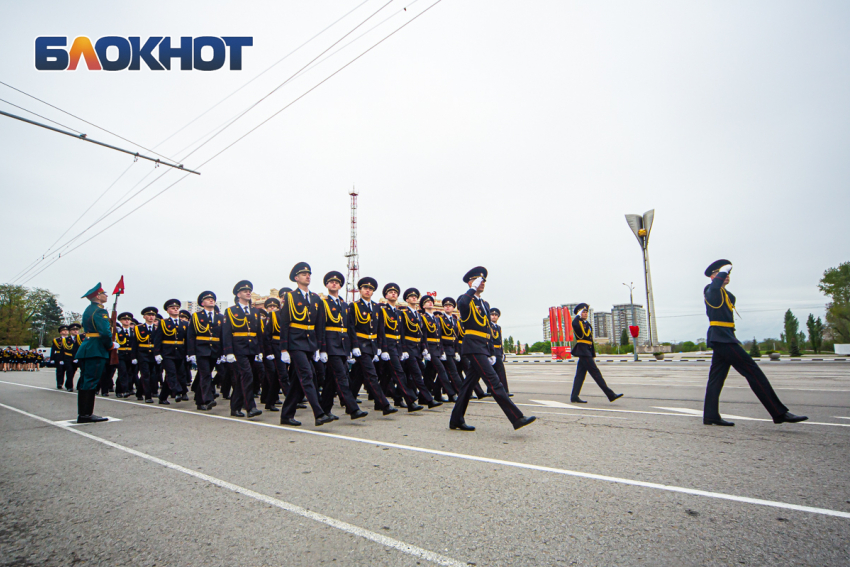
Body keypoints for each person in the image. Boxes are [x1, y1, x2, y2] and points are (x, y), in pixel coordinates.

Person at [702, 260, 808, 426]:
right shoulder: (711, 291)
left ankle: (710, 416)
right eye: (722, 273)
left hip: (724, 337)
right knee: (753, 372)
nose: (727, 276)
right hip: (723, 339)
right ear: (713, 276)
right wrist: (724, 270)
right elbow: (715, 288)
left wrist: (723, 274)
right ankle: (779, 413)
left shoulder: (727, 295)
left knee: (716, 379)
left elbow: (726, 300)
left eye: (728, 273)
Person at [449, 267, 535, 431]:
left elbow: (488, 328)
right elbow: (461, 305)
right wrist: (472, 289)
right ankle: (516, 418)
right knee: (494, 382)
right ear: (471, 282)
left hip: (483, 346)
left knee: (467, 387)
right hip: (473, 346)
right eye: (478, 280)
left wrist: (491, 351)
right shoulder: (465, 299)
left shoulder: (485, 303)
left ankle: (456, 419)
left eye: (483, 281)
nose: (482, 283)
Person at [277, 263, 334, 427]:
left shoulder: (316, 298)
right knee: (308, 375)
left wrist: (319, 348)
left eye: (309, 274)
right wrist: (283, 348)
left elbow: (320, 325)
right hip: (295, 342)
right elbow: (285, 324)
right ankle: (319, 413)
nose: (307, 276)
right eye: (303, 274)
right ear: (296, 278)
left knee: (298, 381)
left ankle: (286, 415)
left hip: (310, 343)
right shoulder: (289, 297)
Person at [319, 271, 368, 420]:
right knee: (342, 377)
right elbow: (320, 326)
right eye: (331, 282)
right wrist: (321, 348)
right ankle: (353, 409)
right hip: (330, 345)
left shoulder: (345, 305)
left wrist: (353, 346)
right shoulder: (322, 303)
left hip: (342, 345)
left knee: (331, 380)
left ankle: (324, 410)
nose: (334, 284)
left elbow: (350, 327)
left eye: (337, 282)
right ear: (326, 285)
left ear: (340, 285)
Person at [349, 277, 398, 416]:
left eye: (370, 289)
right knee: (372, 375)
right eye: (365, 288)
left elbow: (380, 329)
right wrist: (354, 346)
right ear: (360, 290)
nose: (368, 291)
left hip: (372, 345)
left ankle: (349, 404)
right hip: (360, 345)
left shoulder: (377, 307)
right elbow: (351, 327)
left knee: (358, 376)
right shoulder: (354, 306)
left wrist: (381, 348)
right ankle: (384, 405)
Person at [74, 283, 117, 423]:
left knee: (86, 381)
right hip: (96, 348)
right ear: (97, 296)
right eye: (104, 293)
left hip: (88, 347)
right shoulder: (100, 311)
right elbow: (104, 332)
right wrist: (110, 345)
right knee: (91, 382)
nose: (106, 295)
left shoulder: (89, 309)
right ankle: (86, 414)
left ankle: (84, 413)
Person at [222, 280, 263, 418]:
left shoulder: (255, 311)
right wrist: (228, 352)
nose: (248, 292)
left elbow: (258, 332)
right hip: (238, 349)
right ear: (238, 294)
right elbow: (226, 333)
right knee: (247, 376)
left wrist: (260, 351)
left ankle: (235, 407)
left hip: (251, 349)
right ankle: (250, 407)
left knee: (242, 378)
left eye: (249, 291)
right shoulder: (231, 311)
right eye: (245, 291)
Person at [570, 303, 623, 404]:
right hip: (583, 351)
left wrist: (592, 353)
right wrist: (577, 315)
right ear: (579, 313)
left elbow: (590, 340)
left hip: (587, 351)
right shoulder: (577, 323)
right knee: (596, 373)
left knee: (580, 375)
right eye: (583, 312)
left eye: (586, 312)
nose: (585, 314)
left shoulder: (587, 324)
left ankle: (574, 396)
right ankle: (610, 395)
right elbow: (575, 324)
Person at [399, 288, 442, 409]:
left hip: (417, 348)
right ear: (406, 299)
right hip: (408, 347)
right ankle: (428, 399)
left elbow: (421, 334)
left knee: (409, 375)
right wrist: (404, 349)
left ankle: (398, 397)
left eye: (415, 296)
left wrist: (424, 348)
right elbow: (401, 332)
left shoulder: (418, 315)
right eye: (411, 296)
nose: (413, 298)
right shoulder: (404, 313)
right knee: (417, 374)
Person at [187, 291, 223, 411]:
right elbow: (191, 335)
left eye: (212, 299)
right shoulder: (196, 316)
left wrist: (223, 352)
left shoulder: (220, 317)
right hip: (201, 349)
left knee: (205, 375)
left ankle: (199, 400)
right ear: (202, 303)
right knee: (206, 374)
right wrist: (191, 353)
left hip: (215, 349)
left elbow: (223, 336)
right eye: (208, 299)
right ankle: (208, 399)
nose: (211, 300)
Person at [420, 295, 457, 402]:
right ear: (423, 306)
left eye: (431, 301)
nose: (430, 303)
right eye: (427, 302)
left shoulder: (436, 319)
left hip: (437, 348)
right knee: (442, 370)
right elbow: (424, 335)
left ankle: (425, 396)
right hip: (429, 348)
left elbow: (439, 336)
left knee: (429, 373)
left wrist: (441, 350)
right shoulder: (423, 318)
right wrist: (425, 349)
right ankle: (451, 393)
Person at [153, 299, 189, 405]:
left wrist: (189, 353)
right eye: (173, 308)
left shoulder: (184, 323)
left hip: (180, 353)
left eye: (177, 308)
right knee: (171, 373)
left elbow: (186, 340)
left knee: (179, 375)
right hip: (167, 353)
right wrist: (157, 353)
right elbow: (157, 339)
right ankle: (177, 391)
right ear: (168, 310)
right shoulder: (163, 323)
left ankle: (163, 397)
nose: (176, 310)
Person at [131, 307, 158, 403]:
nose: (151, 317)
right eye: (149, 315)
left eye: (153, 315)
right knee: (146, 374)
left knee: (152, 375)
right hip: (142, 354)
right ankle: (148, 395)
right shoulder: (138, 328)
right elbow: (134, 343)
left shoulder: (157, 328)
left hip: (153, 354)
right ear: (144, 316)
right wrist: (133, 356)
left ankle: (139, 392)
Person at [489, 308, 513, 397]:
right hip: (492, 351)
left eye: (496, 315)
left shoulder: (498, 327)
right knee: (499, 371)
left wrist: (502, 352)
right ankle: (504, 391)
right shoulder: (488, 326)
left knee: (495, 371)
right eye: (492, 315)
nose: (494, 316)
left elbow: (500, 341)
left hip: (498, 351)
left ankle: (491, 390)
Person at [114, 313, 135, 397]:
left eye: (128, 320)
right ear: (121, 321)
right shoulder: (117, 332)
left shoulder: (133, 331)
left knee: (130, 373)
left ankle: (122, 389)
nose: (127, 321)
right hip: (121, 354)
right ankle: (124, 390)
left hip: (130, 355)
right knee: (123, 372)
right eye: (124, 320)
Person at [50, 325, 74, 389]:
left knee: (69, 371)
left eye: (66, 330)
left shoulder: (71, 339)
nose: (65, 332)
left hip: (68, 357)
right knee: (60, 371)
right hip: (59, 357)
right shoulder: (57, 340)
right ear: (60, 332)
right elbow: (53, 349)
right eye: (64, 330)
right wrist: (52, 358)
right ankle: (59, 383)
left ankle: (68, 383)